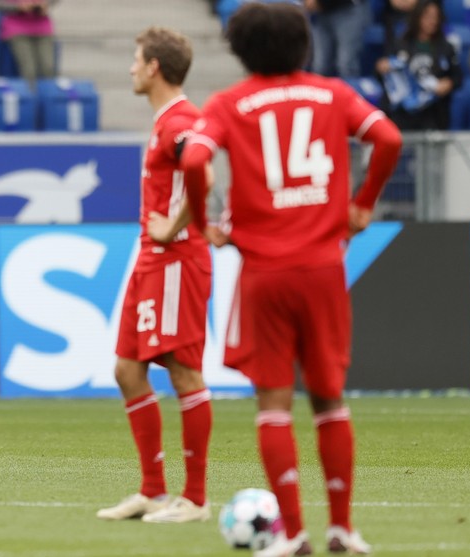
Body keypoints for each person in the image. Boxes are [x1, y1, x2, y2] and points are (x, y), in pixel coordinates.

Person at [181, 3, 402, 555]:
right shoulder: (334, 93)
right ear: (304, 44)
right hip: (324, 268)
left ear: (240, 50)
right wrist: (362, 206)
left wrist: (208, 221)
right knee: (330, 401)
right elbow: (389, 139)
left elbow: (193, 160)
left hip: (265, 273)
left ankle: (295, 533)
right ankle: (343, 529)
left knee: (274, 407)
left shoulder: (230, 104)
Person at [96, 26, 214, 524]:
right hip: (151, 261)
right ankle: (152, 490)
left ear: (154, 68)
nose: (129, 68)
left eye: (136, 59)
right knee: (126, 369)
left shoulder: (181, 120)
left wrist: (176, 223)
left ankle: (196, 499)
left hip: (175, 260)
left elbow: (203, 172)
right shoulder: (165, 121)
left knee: (184, 371)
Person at [375, 0, 463, 130]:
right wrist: (381, 67)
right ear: (417, 17)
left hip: (433, 112)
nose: (432, 21)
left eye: (436, 17)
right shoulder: (400, 44)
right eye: (427, 16)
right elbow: (383, 74)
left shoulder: (446, 47)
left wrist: (448, 83)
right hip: (403, 113)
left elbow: (457, 76)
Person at [0, 0, 58, 86]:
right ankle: (30, 97)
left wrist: (46, 4)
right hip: (17, 29)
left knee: (48, 69)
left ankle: (48, 97)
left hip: (43, 28)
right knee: (29, 70)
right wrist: (17, 7)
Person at [304, 0, 371, 78]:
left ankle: (347, 89)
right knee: (320, 66)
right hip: (320, 14)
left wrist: (319, 2)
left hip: (347, 10)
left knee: (346, 65)